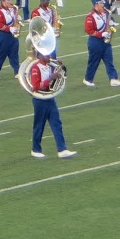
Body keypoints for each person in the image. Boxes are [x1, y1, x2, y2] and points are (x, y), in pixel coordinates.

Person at [24, 31, 75, 159]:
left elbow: (58, 77)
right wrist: (51, 78)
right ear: (40, 55)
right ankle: (36, 149)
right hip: (40, 99)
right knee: (39, 125)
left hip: (50, 98)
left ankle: (62, 149)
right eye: (47, 55)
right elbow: (35, 87)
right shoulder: (36, 68)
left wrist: (60, 68)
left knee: (56, 123)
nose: (50, 56)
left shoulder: (49, 66)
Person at [82, 0, 120, 87]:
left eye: (103, 3)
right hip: (95, 42)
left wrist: (111, 23)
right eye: (101, 3)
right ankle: (88, 79)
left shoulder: (106, 13)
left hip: (106, 42)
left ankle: (113, 78)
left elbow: (108, 21)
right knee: (94, 62)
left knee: (109, 60)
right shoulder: (90, 16)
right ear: (96, 4)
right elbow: (88, 30)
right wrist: (101, 34)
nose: (103, 5)